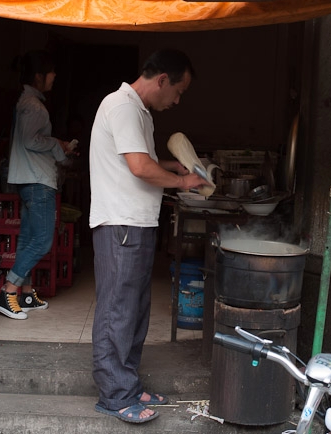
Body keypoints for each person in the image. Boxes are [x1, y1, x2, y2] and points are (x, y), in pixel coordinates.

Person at [89, 49, 207, 423]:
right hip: (120, 224)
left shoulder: (139, 113)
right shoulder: (122, 106)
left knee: (135, 311)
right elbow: (139, 167)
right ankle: (114, 395)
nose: (177, 100)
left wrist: (172, 165)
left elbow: (143, 159)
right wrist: (182, 181)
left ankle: (128, 384)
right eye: (178, 91)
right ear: (161, 80)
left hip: (137, 223)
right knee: (117, 310)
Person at [0, 50, 76, 320]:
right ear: (39, 76)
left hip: (28, 180)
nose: (54, 77)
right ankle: (9, 292)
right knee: (42, 240)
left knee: (29, 237)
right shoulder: (34, 105)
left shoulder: (27, 102)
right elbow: (31, 140)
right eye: (51, 72)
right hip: (38, 181)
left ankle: (26, 293)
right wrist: (56, 144)